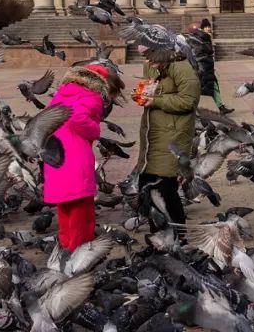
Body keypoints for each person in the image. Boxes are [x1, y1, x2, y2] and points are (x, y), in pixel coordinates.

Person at [42, 63, 121, 251]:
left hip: (56, 154)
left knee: (65, 205)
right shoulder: (91, 96)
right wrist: (94, 130)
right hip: (75, 156)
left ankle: (66, 244)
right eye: (111, 94)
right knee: (82, 209)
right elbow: (78, 117)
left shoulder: (63, 93)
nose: (109, 99)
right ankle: (80, 250)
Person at [135, 56, 201, 230]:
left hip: (173, 135)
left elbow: (189, 101)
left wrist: (157, 101)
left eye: (150, 54)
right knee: (148, 187)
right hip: (152, 134)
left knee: (164, 188)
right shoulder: (151, 64)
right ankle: (159, 238)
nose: (148, 60)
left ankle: (177, 239)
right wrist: (142, 94)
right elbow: (152, 90)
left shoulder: (181, 67)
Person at [190, 19, 232, 114]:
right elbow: (198, 53)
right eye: (207, 27)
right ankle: (191, 109)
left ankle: (221, 108)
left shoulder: (205, 37)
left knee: (214, 87)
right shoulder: (200, 38)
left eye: (209, 27)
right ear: (202, 28)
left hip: (208, 68)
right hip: (203, 69)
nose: (209, 28)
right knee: (199, 90)